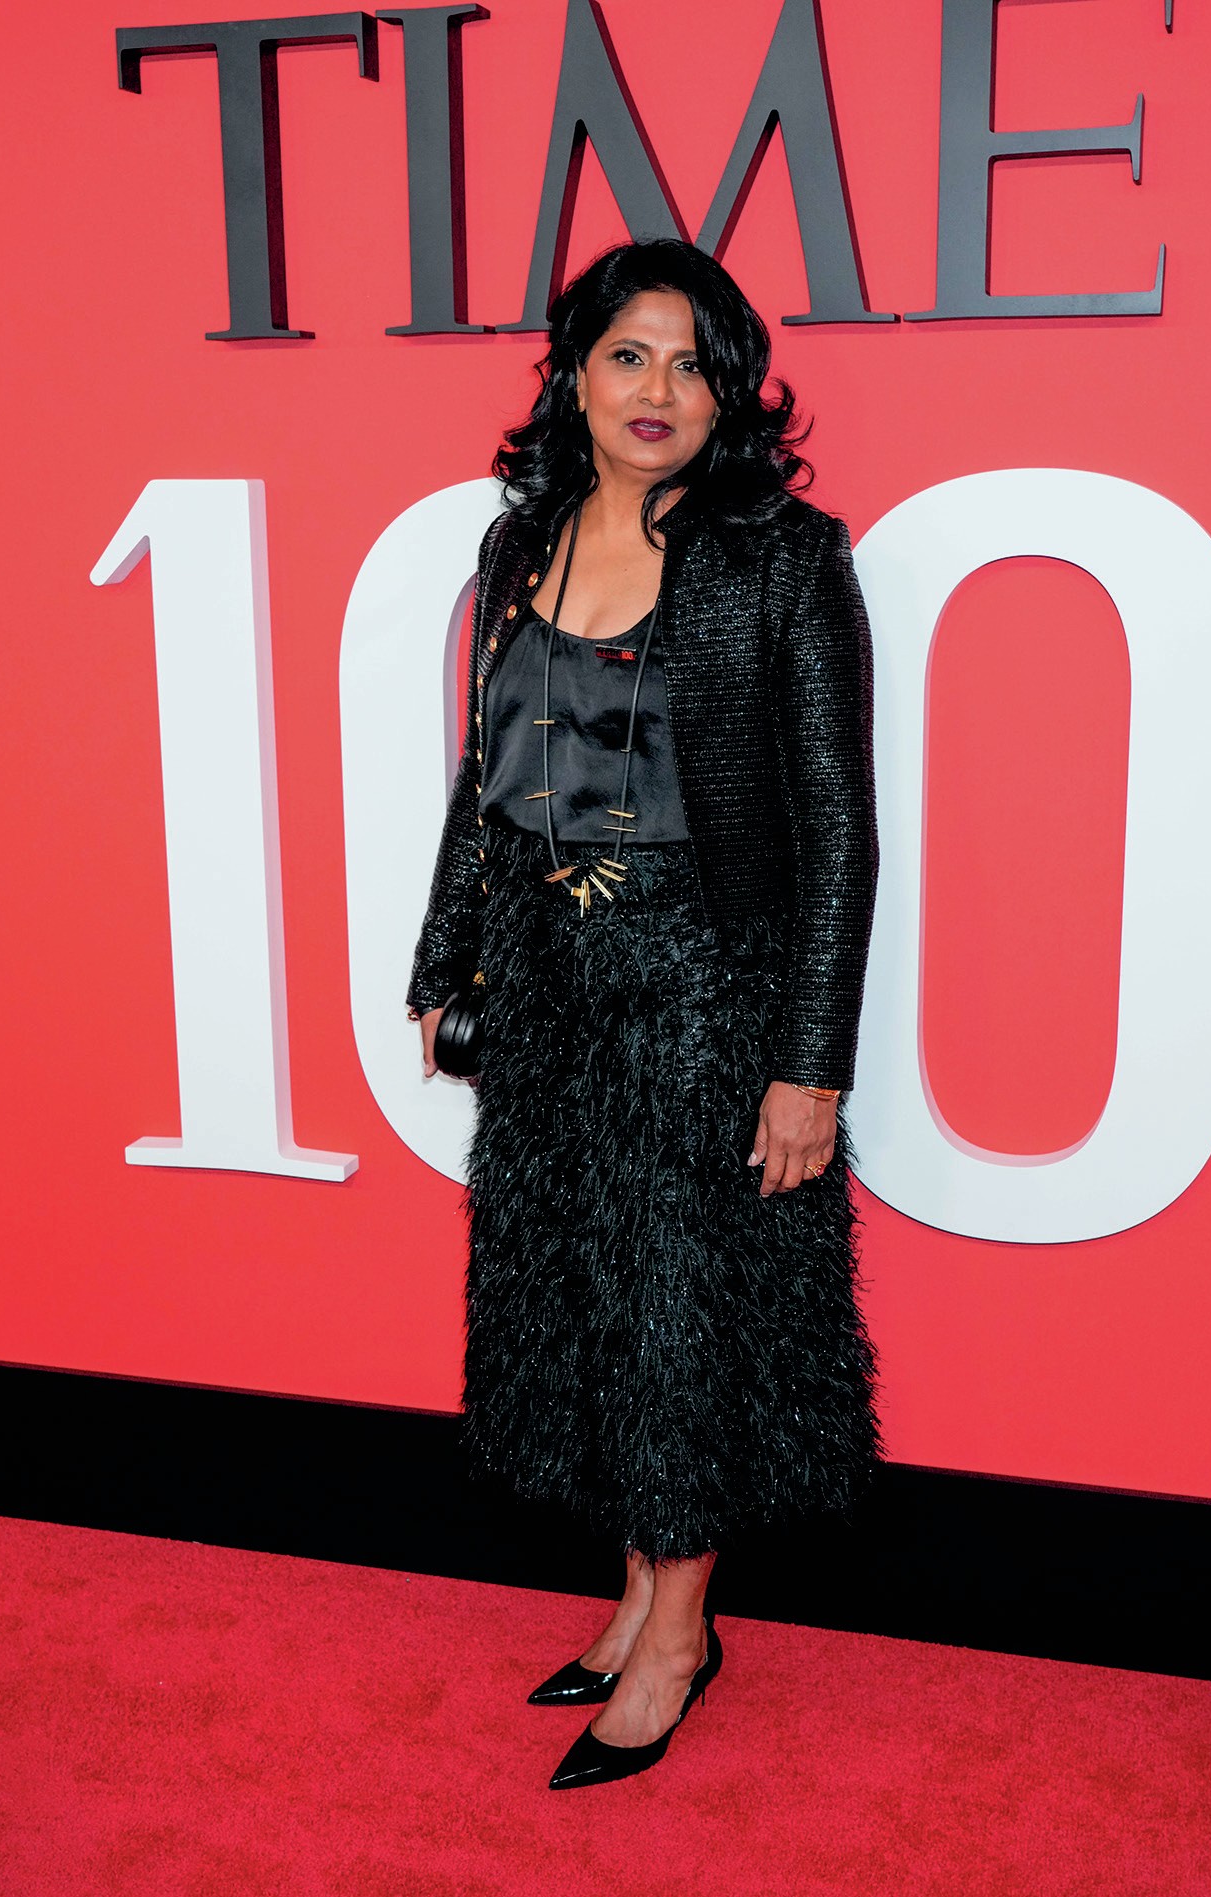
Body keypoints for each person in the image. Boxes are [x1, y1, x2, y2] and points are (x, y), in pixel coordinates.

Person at [405, 238, 880, 1791]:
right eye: (628, 354)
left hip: (699, 991)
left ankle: (681, 1630)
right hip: (547, 993)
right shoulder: (515, 544)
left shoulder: (783, 559)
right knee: (587, 1293)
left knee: (682, 1311)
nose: (656, 389)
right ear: (576, 375)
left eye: (689, 361)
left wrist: (808, 1068)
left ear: (726, 389)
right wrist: (447, 958)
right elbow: (489, 779)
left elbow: (838, 831)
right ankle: (631, 1590)